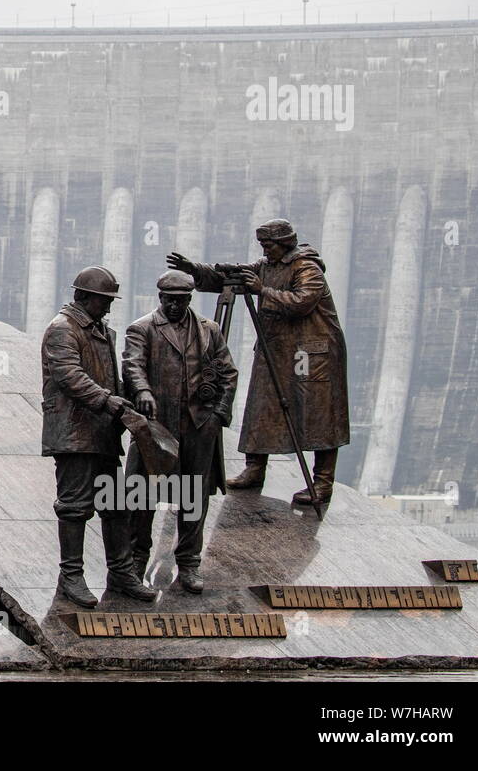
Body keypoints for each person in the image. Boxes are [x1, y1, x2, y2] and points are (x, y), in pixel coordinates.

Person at [168, 218, 349, 503]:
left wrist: (262, 290)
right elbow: (230, 279)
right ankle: (255, 468)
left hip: (310, 353)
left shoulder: (307, 268)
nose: (264, 251)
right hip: (275, 349)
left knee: (317, 414)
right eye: (262, 245)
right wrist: (195, 271)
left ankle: (322, 483)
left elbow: (302, 301)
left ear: (285, 243)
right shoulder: (267, 266)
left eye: (269, 245)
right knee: (261, 405)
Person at [41, 266, 156, 608]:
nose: (108, 307)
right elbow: (70, 377)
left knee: (117, 505)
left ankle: (121, 573)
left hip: (103, 431)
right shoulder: (62, 330)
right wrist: (113, 404)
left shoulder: (102, 330)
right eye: (103, 301)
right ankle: (71, 577)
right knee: (75, 508)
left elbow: (110, 379)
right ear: (82, 297)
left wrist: (130, 403)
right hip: (74, 433)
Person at [122, 270, 237, 593]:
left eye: (182, 300)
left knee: (194, 498)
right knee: (142, 495)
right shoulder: (142, 329)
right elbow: (132, 365)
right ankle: (135, 560)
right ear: (160, 298)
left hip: (199, 427)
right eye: (170, 300)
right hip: (157, 427)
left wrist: (218, 415)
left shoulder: (208, 330)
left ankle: (189, 563)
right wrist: (142, 392)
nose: (175, 306)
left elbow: (228, 373)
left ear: (189, 299)